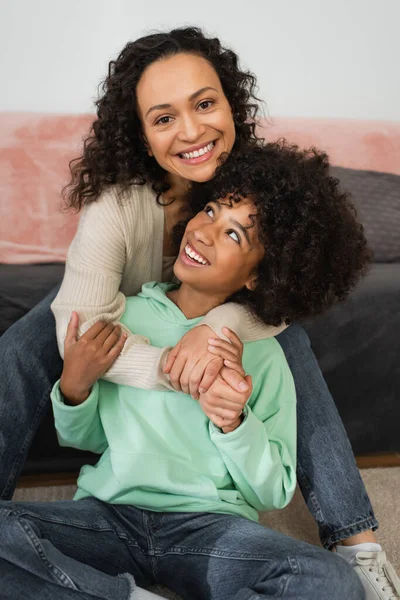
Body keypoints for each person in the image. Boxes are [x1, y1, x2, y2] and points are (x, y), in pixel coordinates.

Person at [0, 26, 398, 598]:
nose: (192, 131)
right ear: (141, 132)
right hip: (123, 314)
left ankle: (358, 544)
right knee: (21, 344)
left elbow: (281, 300)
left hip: (216, 340)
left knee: (291, 344)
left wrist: (215, 328)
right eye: (163, 118)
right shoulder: (118, 205)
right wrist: (172, 367)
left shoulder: (254, 183)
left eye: (205, 104)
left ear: (231, 103)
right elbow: (82, 330)